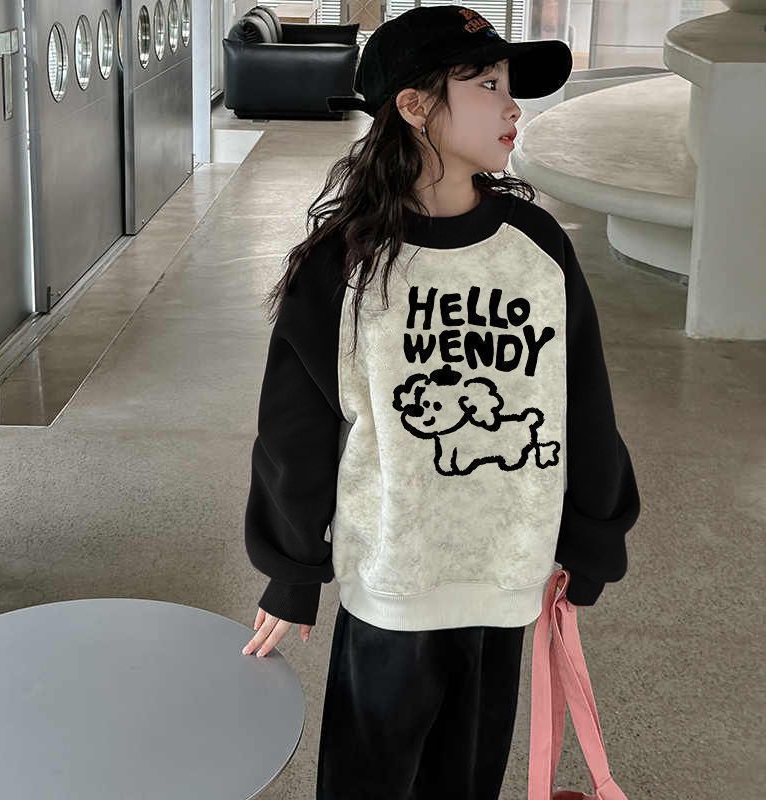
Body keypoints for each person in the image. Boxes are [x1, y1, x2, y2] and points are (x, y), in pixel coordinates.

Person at [241, 6, 641, 799]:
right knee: (368, 779)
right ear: (415, 106)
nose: (512, 105)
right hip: (393, 582)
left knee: (467, 778)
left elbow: (582, 403)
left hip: (505, 577)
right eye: (487, 85)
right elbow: (296, 430)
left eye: (509, 86)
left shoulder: (538, 248)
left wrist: (593, 536)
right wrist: (291, 571)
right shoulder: (344, 266)